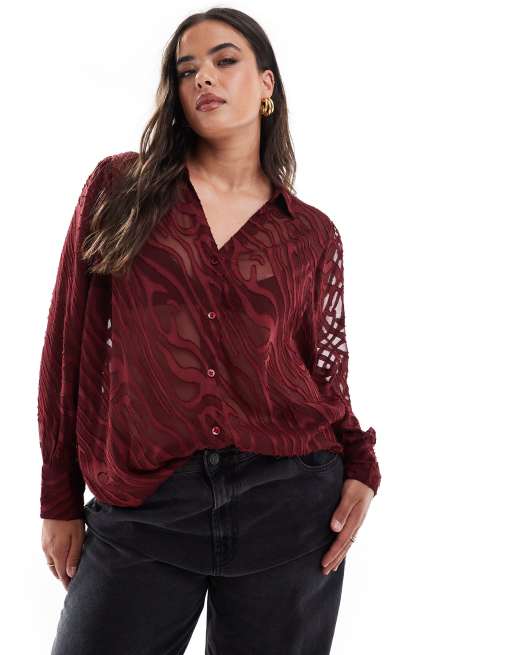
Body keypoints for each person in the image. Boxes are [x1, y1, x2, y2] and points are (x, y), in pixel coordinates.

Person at [39, 7, 382, 654]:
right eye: (186, 69)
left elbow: (323, 375)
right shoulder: (120, 189)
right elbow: (67, 341)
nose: (203, 77)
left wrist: (361, 465)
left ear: (267, 85)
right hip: (144, 504)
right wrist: (58, 495)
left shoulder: (312, 234)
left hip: (288, 508)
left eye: (224, 61)